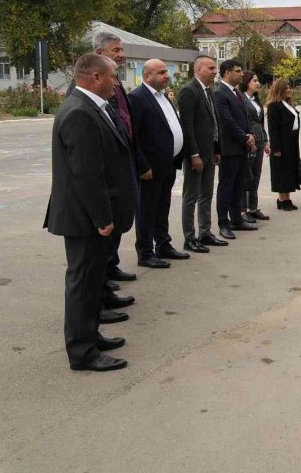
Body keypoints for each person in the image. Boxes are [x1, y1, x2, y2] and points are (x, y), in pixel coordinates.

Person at [44, 54, 136, 371]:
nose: (116, 82)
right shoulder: (79, 112)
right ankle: (83, 353)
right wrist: (103, 218)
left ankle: (91, 336)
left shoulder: (92, 106)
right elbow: (86, 173)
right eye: (113, 76)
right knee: (83, 284)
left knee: (93, 281)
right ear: (95, 77)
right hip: (85, 218)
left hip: (90, 215)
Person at [127, 59, 189, 268]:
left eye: (166, 72)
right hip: (150, 168)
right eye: (161, 72)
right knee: (146, 209)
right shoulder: (137, 98)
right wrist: (142, 166)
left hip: (168, 163)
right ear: (147, 76)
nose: (167, 75)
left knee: (162, 206)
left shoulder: (163, 96)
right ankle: (145, 251)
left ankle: (163, 244)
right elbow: (133, 135)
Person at [178, 55, 226, 254]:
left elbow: (214, 123)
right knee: (191, 196)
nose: (215, 72)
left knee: (206, 194)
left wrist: (216, 150)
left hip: (209, 152)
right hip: (196, 154)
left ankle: (205, 232)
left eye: (215, 68)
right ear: (198, 69)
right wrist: (193, 154)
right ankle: (189, 238)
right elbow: (187, 126)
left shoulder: (209, 92)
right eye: (211, 68)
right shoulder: (189, 91)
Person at [213, 59, 257, 240]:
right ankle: (224, 223)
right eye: (237, 71)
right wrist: (245, 137)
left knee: (239, 185)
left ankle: (237, 219)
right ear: (227, 73)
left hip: (241, 148)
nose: (241, 74)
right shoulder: (220, 93)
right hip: (229, 148)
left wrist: (250, 134)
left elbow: (243, 118)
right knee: (226, 186)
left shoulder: (236, 92)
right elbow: (226, 121)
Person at [265, 78, 301, 211]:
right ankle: (282, 199)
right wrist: (276, 148)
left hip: (291, 144)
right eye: (285, 88)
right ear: (279, 90)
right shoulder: (274, 106)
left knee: (289, 171)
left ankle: (287, 198)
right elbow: (272, 129)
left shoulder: (289, 105)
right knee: (281, 172)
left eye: (290, 87)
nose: (289, 90)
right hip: (281, 145)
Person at [240, 71, 269, 222]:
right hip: (248, 141)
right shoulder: (241, 99)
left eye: (258, 81)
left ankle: (253, 207)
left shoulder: (256, 100)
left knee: (256, 174)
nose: (258, 83)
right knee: (247, 175)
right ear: (246, 82)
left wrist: (266, 141)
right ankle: (242, 209)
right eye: (254, 81)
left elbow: (261, 123)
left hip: (259, 140)